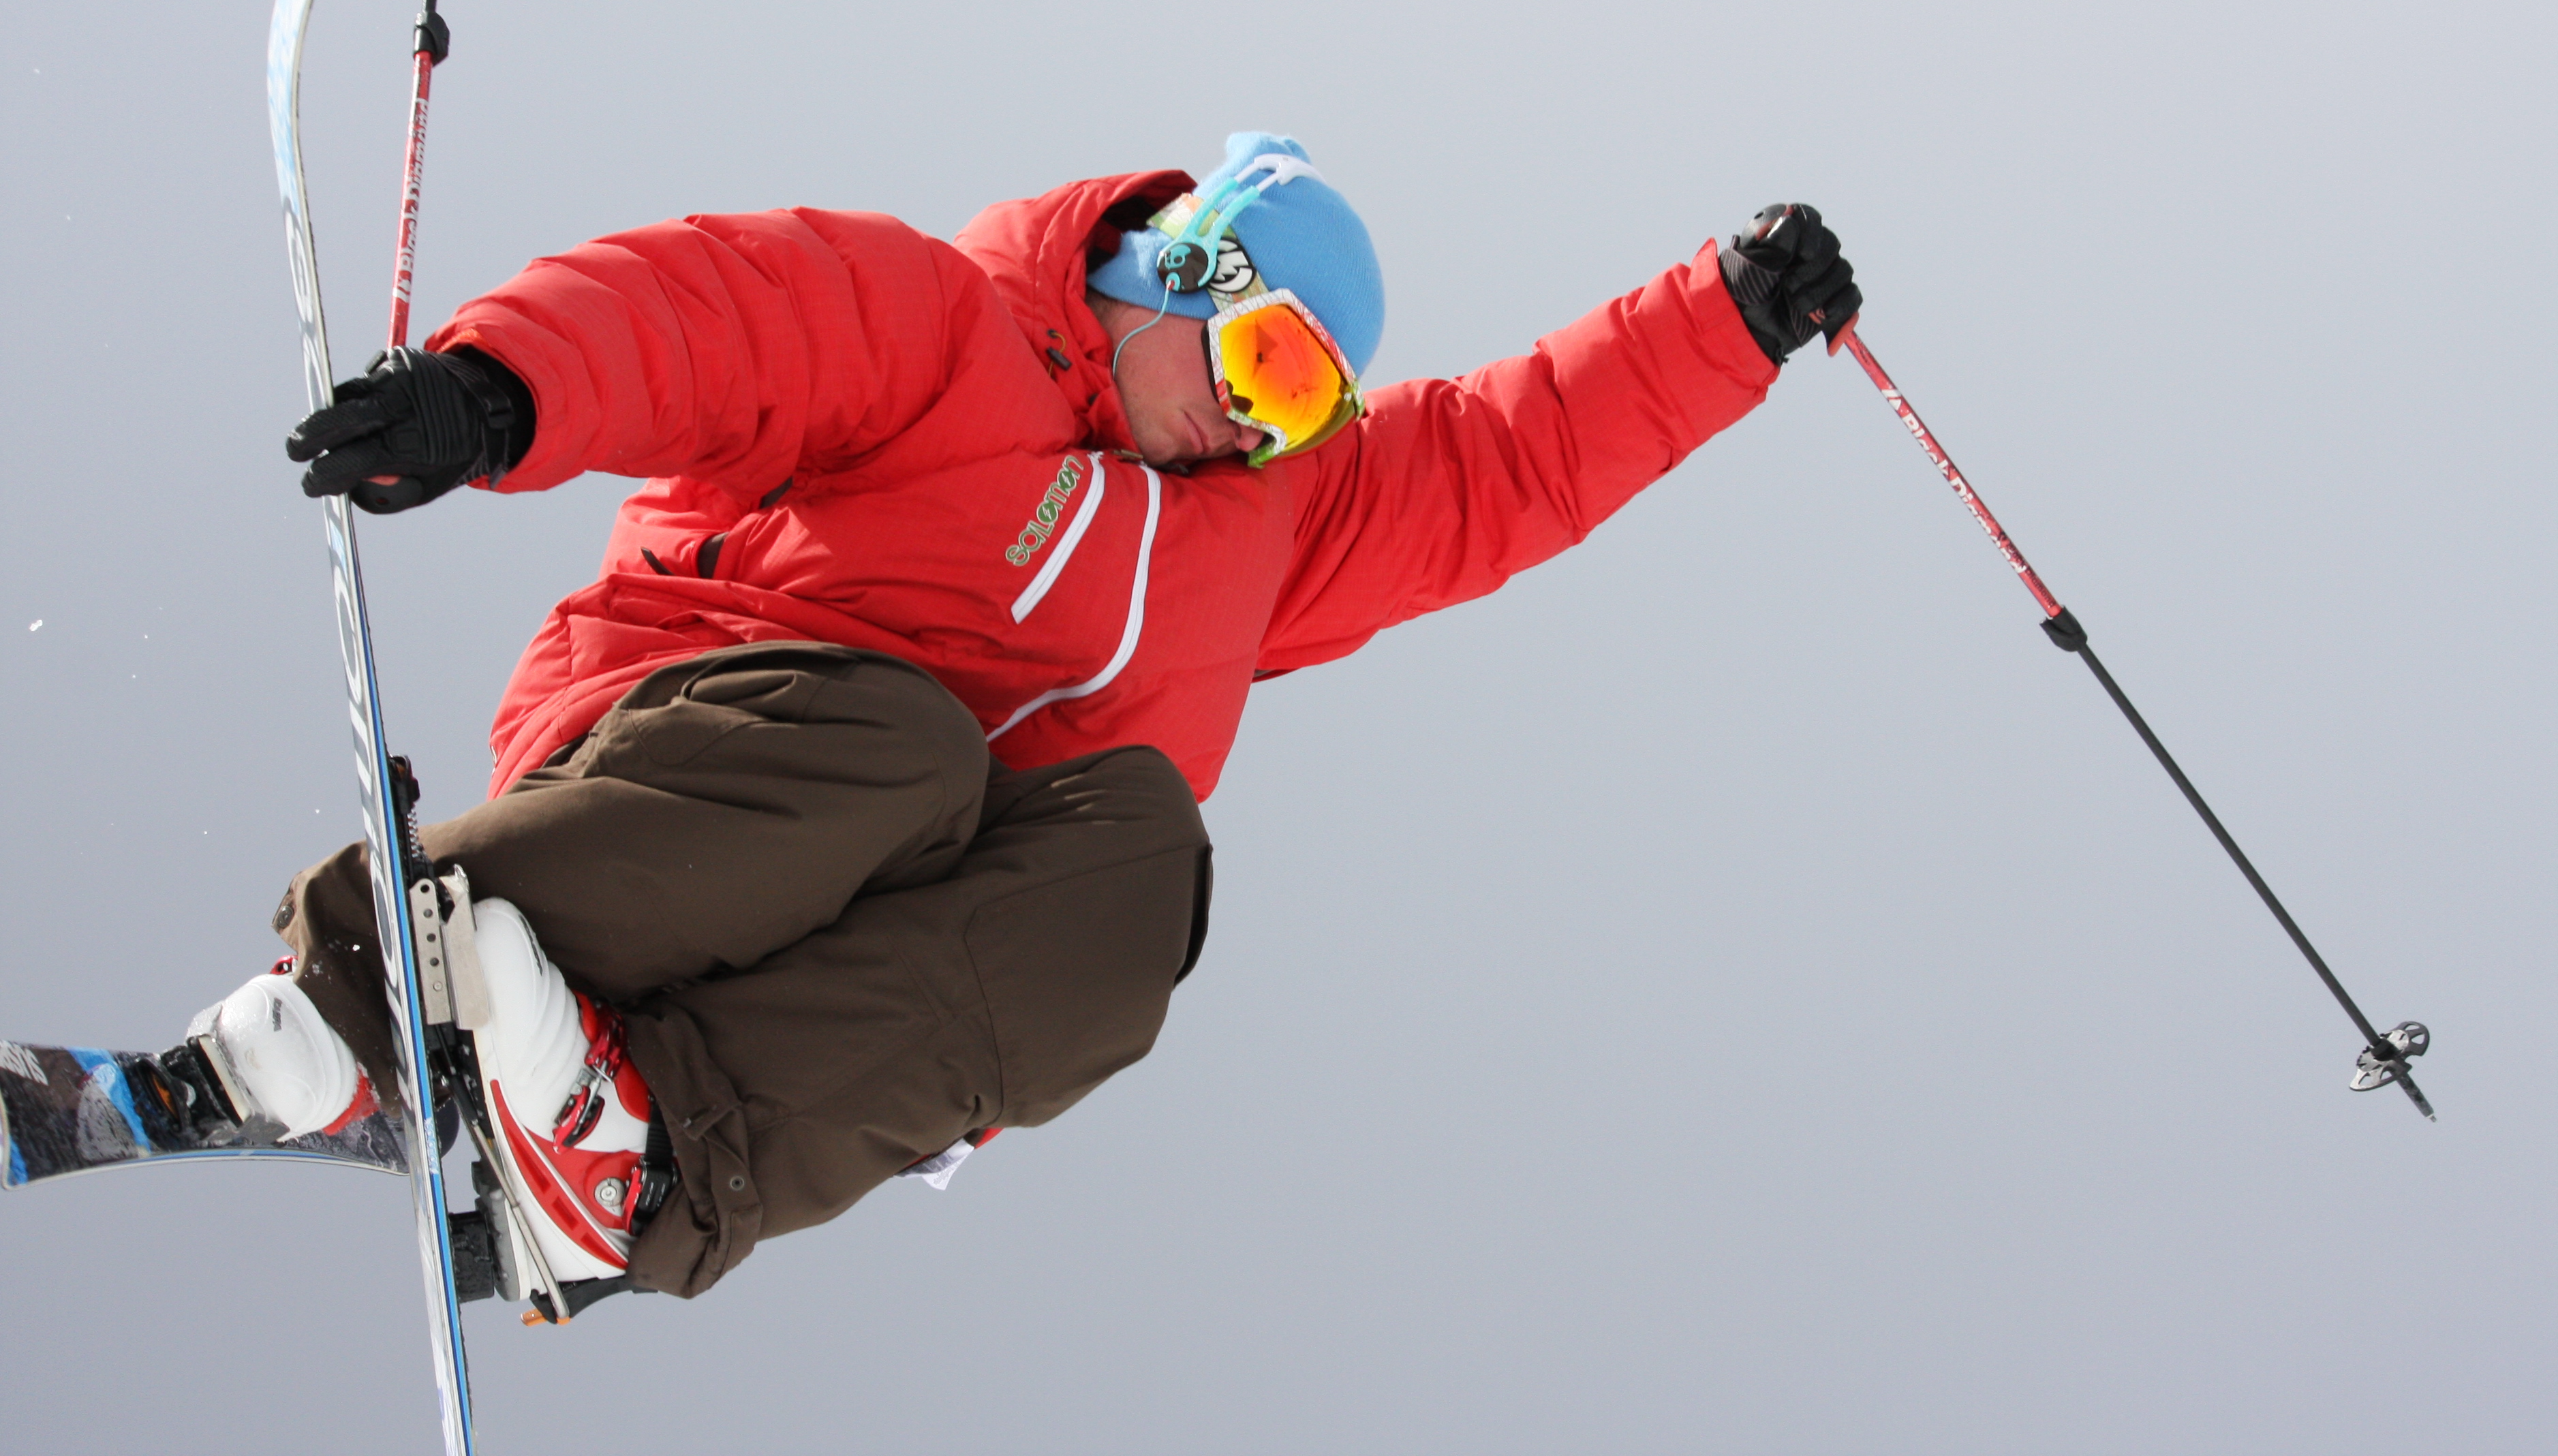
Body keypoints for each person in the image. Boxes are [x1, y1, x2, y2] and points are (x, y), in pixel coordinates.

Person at [170, 132, 1860, 1312]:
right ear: (1179, 269)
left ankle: (647, 1163)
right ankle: (372, 992)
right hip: (701, 761)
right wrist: (495, 391)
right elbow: (714, 313)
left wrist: (1725, 321)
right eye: (1264, 372)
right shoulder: (945, 328)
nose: (1259, 436)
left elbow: (1510, 461)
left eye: (1310, 416)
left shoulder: (1263, 526)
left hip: (864, 930)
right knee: (916, 750)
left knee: (1144, 875)